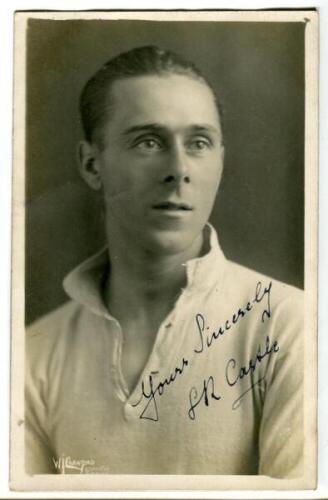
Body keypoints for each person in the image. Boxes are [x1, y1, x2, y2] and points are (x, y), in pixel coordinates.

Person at [25, 45, 303, 477]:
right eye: (148, 142)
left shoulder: (291, 326)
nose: (179, 169)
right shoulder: (34, 354)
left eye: (199, 143)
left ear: (220, 161)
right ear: (91, 164)